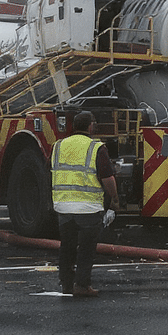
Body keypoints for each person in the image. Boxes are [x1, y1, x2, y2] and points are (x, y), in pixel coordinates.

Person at [51, 111, 119, 297]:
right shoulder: (96, 148)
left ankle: (66, 284)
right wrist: (114, 198)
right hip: (88, 208)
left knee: (67, 247)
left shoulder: (58, 146)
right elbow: (107, 178)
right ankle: (81, 285)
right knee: (86, 249)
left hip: (63, 206)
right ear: (90, 126)